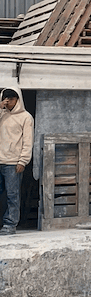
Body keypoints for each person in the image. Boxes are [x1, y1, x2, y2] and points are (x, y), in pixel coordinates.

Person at [0, 86, 33, 235]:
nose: (8, 102)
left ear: (18, 100)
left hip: (13, 162)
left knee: (12, 195)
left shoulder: (25, 117)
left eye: (11, 99)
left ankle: (10, 224)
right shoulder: (2, 114)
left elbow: (28, 141)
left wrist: (23, 161)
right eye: (6, 99)